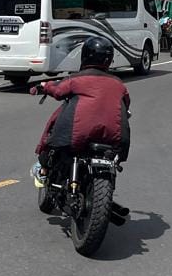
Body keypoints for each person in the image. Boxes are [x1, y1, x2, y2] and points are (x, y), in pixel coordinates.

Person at [33, 36, 131, 182]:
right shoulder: (118, 84)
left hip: (76, 136)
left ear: (85, 56)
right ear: (108, 60)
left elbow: (58, 91)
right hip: (114, 138)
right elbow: (126, 103)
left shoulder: (76, 79)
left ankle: (43, 168)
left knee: (55, 125)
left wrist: (43, 86)